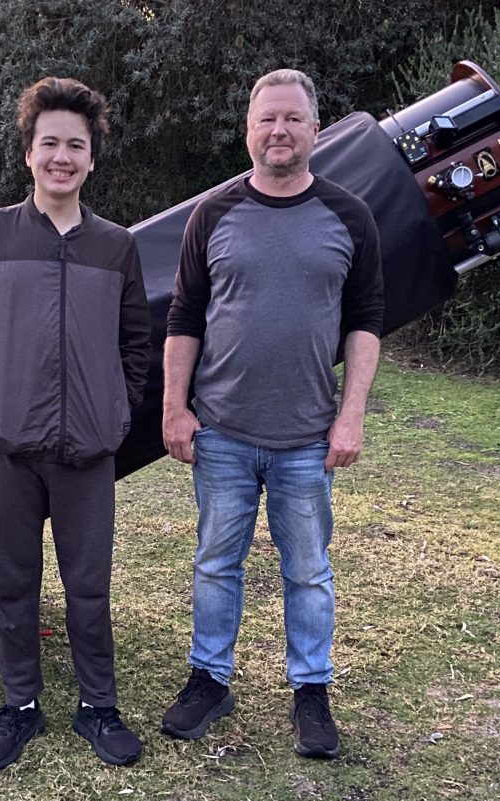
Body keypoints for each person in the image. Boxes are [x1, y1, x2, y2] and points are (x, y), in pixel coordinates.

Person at [160, 68, 384, 759]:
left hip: (307, 439)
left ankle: (311, 692)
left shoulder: (349, 216)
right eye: (267, 119)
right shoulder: (215, 213)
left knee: (308, 571)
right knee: (215, 564)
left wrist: (351, 417)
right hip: (222, 431)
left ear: (316, 131)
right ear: (248, 130)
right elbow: (184, 317)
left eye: (293, 119)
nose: (279, 131)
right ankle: (209, 680)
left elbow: (367, 322)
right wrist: (175, 408)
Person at [0, 77, 151, 770]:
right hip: (10, 449)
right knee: (14, 585)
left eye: (76, 145)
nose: (63, 156)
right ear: (29, 153)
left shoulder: (115, 246)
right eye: (49, 142)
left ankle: (98, 707)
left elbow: (137, 343)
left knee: (89, 588)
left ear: (92, 159)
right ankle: (19, 706)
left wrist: (117, 409)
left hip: (88, 452)